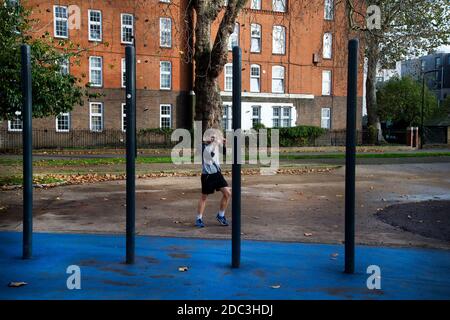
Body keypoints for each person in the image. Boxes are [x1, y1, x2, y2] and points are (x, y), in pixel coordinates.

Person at [195, 132, 231, 228]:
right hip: (207, 176)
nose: (213, 138)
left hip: (217, 174)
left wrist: (224, 143)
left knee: (227, 193)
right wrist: (215, 141)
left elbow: (225, 153)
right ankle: (199, 218)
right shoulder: (203, 147)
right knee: (204, 197)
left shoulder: (215, 145)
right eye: (211, 137)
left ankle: (221, 215)